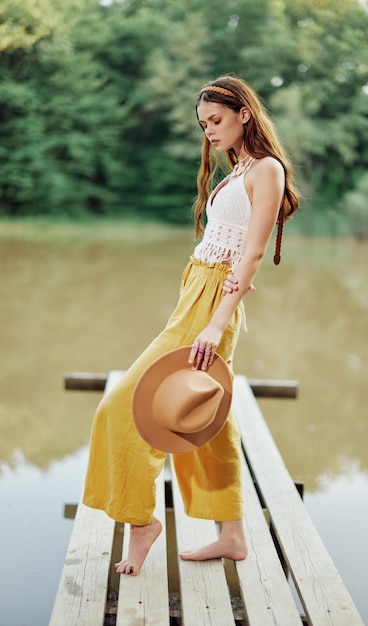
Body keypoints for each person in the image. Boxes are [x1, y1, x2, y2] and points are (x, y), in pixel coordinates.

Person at [82, 75, 299, 575]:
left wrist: (214, 323)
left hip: (212, 304)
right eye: (203, 125)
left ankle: (141, 523)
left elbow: (253, 253)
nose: (209, 132)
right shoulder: (241, 166)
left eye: (216, 120)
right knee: (207, 418)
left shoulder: (266, 169)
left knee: (126, 406)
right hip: (198, 295)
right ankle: (234, 536)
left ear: (244, 112)